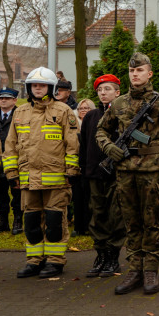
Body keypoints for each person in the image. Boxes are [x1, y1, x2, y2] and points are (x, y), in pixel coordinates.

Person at [96, 53, 159, 295]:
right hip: (125, 171)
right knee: (131, 223)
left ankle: (150, 271)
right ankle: (134, 270)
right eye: (131, 71)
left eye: (140, 70)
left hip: (153, 171)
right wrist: (109, 147)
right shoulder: (118, 104)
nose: (135, 74)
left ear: (150, 73)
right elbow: (101, 131)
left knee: (152, 223)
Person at [3, 67, 81, 279]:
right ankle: (34, 261)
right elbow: (10, 144)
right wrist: (11, 173)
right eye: (34, 85)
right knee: (31, 222)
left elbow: (72, 144)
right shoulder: (20, 112)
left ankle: (55, 261)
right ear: (29, 88)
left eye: (42, 85)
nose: (38, 88)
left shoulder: (63, 111)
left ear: (51, 87)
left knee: (55, 222)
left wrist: (72, 170)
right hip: (28, 179)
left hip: (57, 179)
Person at [80, 75, 124, 278]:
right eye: (100, 90)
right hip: (94, 174)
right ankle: (101, 255)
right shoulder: (91, 117)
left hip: (116, 175)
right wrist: (83, 171)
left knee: (115, 216)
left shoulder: (123, 116)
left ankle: (113, 257)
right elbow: (84, 147)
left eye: (107, 89)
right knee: (97, 216)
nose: (103, 93)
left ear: (117, 93)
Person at [0, 86, 22, 235]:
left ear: (14, 100)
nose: (3, 100)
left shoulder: (21, 115)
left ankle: (18, 221)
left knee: (17, 194)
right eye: (1, 98)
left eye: (7, 98)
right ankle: (2, 222)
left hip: (15, 160)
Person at [70, 99, 96, 235]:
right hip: (75, 165)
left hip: (89, 165)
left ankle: (89, 226)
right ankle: (78, 227)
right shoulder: (72, 124)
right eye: (81, 108)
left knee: (89, 198)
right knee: (77, 198)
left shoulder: (95, 123)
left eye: (87, 108)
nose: (83, 110)